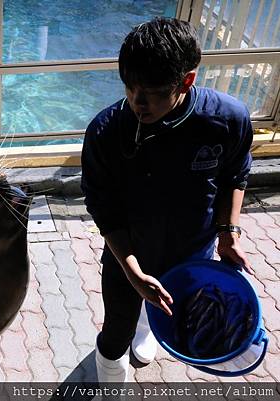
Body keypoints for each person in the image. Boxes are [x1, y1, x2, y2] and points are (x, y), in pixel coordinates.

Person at [80, 17, 254, 382]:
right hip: (128, 256)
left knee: (164, 311)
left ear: (186, 81)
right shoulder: (105, 131)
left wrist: (228, 233)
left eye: (153, 92)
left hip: (193, 256)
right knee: (115, 334)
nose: (137, 102)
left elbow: (235, 174)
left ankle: (147, 326)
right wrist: (132, 271)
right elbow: (103, 207)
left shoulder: (228, 119)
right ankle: (112, 374)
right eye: (130, 87)